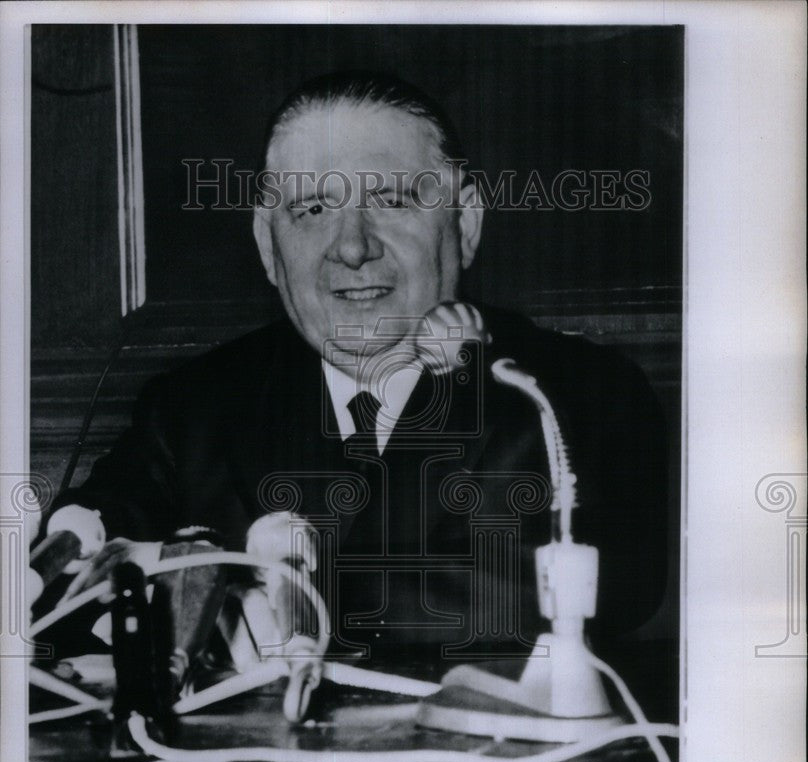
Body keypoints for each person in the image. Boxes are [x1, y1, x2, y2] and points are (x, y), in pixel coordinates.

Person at [45, 71, 668, 677]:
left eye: (392, 201)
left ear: (466, 223)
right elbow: (74, 577)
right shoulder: (193, 409)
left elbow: (606, 589)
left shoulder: (573, 393)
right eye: (313, 208)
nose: (351, 246)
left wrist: (259, 604)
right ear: (268, 245)